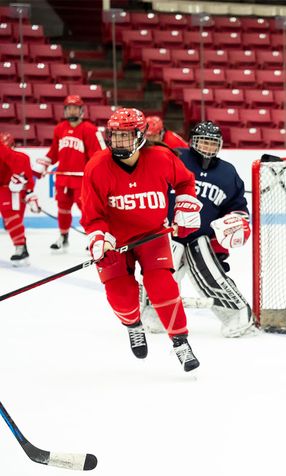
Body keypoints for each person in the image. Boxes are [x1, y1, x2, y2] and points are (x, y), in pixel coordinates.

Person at [80, 107, 202, 372]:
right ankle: (133, 325)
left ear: (141, 135)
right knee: (120, 296)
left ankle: (180, 341)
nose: (118, 142)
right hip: (115, 241)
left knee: (163, 287)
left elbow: (185, 182)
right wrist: (99, 237)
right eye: (115, 135)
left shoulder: (162, 158)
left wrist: (184, 205)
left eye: (125, 136)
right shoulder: (97, 167)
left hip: (152, 235)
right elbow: (92, 215)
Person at [141, 120, 254, 337]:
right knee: (160, 272)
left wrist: (237, 221)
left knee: (210, 272)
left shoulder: (227, 173)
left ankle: (236, 313)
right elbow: (150, 184)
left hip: (202, 238)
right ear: (193, 142)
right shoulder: (175, 158)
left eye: (213, 143)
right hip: (168, 233)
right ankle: (154, 310)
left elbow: (237, 207)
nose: (208, 148)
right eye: (204, 142)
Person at [32, 95, 106, 252]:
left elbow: (98, 155)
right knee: (63, 209)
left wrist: (95, 175)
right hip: (63, 177)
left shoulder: (89, 129)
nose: (71, 110)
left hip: (81, 179)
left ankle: (94, 237)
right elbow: (54, 152)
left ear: (81, 110)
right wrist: (44, 164)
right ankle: (63, 236)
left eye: (75, 107)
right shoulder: (60, 128)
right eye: (68, 107)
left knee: (87, 210)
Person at [0, 132, 35, 266]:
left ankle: (21, 247)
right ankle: (21, 247)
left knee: (13, 220)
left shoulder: (20, 157)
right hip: (5, 189)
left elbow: (28, 178)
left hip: (13, 191)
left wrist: (30, 194)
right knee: (12, 220)